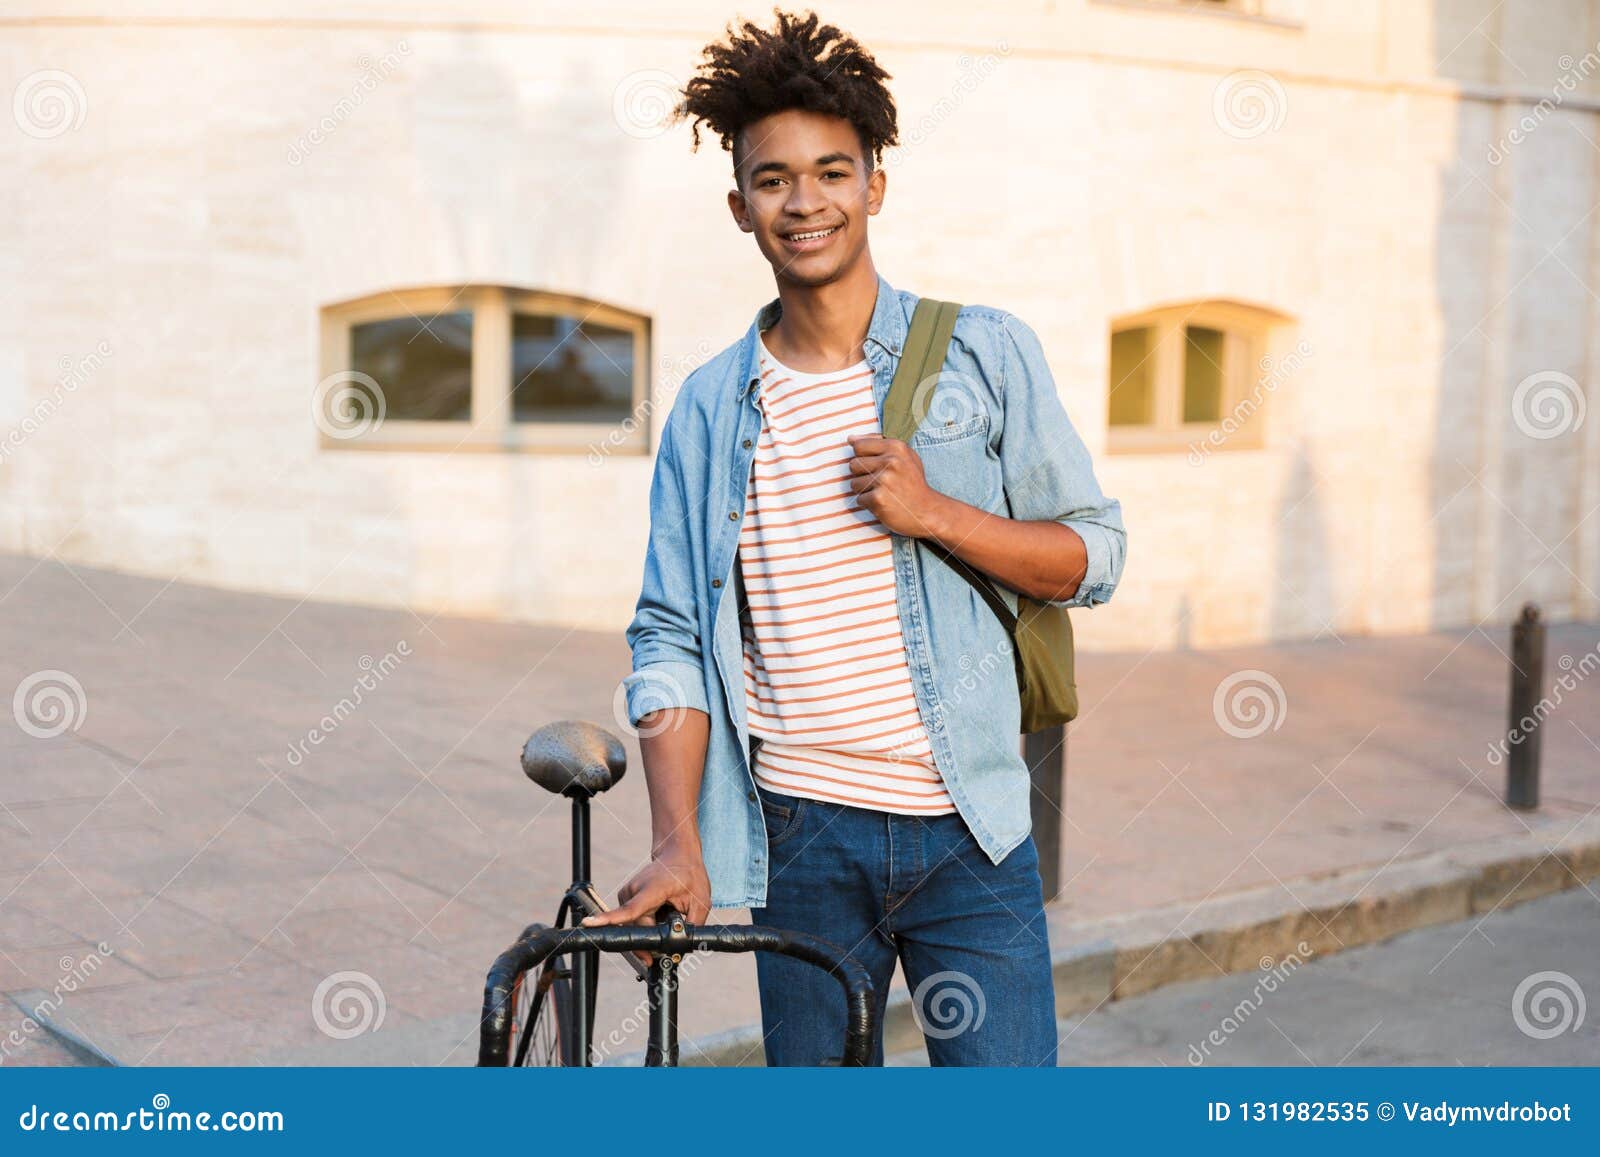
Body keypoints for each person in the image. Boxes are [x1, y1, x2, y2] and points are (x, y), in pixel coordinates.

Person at [583, 7, 1126, 1066]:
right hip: (799, 841)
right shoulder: (708, 405)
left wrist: (937, 515)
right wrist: (677, 839)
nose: (805, 201)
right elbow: (670, 636)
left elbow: (1093, 556)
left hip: (970, 828)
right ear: (740, 205)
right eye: (774, 178)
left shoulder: (985, 354)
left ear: (874, 184)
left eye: (831, 172)